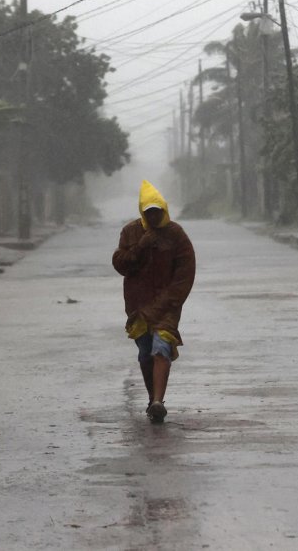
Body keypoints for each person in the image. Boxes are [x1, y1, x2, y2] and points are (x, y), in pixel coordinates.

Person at [111, 180, 196, 423]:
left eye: (157, 211)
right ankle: (152, 399)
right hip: (139, 307)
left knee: (162, 348)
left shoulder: (176, 234)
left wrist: (171, 301)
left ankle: (159, 401)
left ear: (164, 210)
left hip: (167, 307)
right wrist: (140, 246)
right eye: (149, 212)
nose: (154, 216)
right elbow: (121, 264)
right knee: (145, 354)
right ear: (142, 212)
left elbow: (185, 272)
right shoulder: (131, 232)